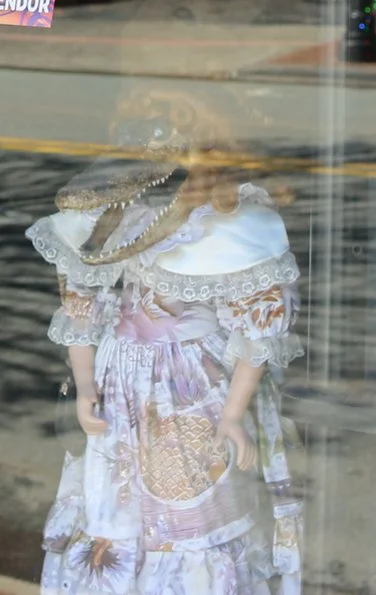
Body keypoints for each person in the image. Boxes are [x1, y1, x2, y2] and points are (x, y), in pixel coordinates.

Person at [32, 148, 302, 593]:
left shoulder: (228, 226)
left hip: (189, 382)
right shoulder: (117, 215)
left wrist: (233, 415)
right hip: (121, 380)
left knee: (190, 509)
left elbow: (257, 333)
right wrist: (85, 384)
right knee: (119, 502)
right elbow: (81, 305)